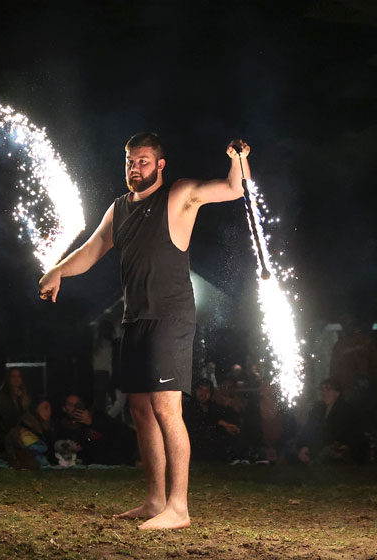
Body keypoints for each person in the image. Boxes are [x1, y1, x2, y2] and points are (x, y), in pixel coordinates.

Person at [39, 133, 251, 529]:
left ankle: (179, 508)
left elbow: (232, 189)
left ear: (160, 164)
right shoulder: (118, 209)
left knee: (166, 407)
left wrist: (238, 159)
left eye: (143, 161)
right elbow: (91, 249)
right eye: (130, 161)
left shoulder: (180, 195)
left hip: (170, 317)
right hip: (133, 320)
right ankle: (155, 501)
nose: (135, 168)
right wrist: (57, 270)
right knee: (140, 409)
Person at [0, 368, 31, 446]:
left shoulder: (24, 394)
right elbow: (9, 420)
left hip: (21, 430)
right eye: (13, 377)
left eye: (19, 376)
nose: (16, 379)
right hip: (7, 432)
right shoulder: (2, 396)